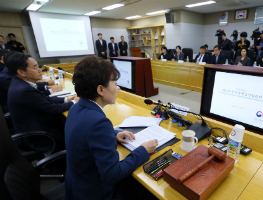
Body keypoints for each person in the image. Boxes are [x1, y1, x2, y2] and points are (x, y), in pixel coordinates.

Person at [65, 56, 158, 200]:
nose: (118, 89)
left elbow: (85, 134)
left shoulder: (76, 108)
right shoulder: (99, 123)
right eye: (115, 83)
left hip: (76, 185)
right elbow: (113, 174)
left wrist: (112, 134)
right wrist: (143, 150)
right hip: (95, 193)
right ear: (101, 89)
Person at [7, 53, 79, 152]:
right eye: (35, 67)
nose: (40, 70)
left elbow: (44, 99)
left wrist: (67, 99)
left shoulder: (21, 84)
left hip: (34, 126)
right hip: (38, 137)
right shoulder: (24, 90)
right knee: (77, 131)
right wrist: (74, 102)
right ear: (21, 72)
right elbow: (54, 109)